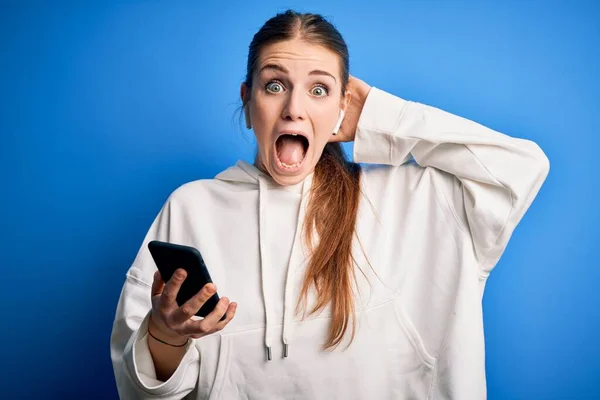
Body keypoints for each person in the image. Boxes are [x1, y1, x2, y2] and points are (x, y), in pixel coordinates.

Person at [110, 9, 549, 400]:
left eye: (318, 90)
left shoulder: (416, 202)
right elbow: (139, 391)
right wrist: (166, 336)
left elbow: (521, 167)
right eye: (275, 85)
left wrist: (381, 117)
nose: (294, 109)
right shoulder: (192, 208)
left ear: (344, 108)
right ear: (248, 103)